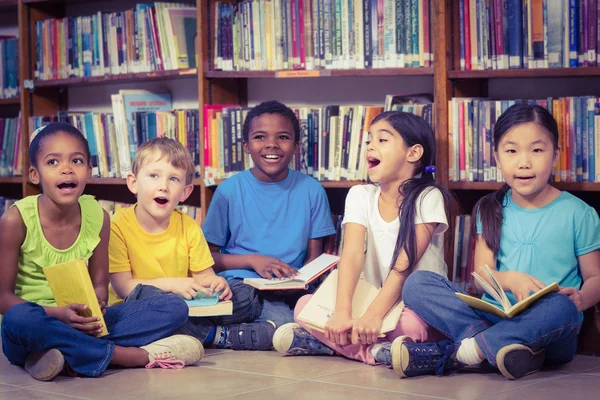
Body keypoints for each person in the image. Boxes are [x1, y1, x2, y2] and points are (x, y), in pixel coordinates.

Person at [398, 104, 600, 380]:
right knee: (417, 283)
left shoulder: (579, 213)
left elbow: (595, 277)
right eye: (511, 151)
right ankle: (509, 352)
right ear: (496, 157)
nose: (524, 162)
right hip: (496, 316)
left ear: (556, 155)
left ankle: (465, 353)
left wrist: (581, 299)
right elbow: (483, 275)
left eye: (537, 150)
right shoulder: (490, 208)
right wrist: (509, 279)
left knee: (560, 308)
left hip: (549, 328)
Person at [0, 123, 203, 382]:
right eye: (52, 162)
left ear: (88, 172)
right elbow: (3, 299)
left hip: (84, 322)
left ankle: (56, 355)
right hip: (35, 322)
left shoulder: (99, 216)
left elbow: (99, 285)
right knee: (20, 318)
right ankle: (127, 356)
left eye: (77, 160)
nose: (66, 168)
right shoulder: (15, 219)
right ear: (34, 174)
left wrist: (95, 307)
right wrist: (60, 314)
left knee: (174, 307)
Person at [272, 111, 450, 367]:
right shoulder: (360, 194)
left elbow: (405, 264)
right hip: (369, 300)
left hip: (412, 306)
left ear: (413, 153)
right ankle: (379, 352)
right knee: (304, 307)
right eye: (369, 140)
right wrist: (343, 312)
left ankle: (334, 345)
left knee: (414, 326)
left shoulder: (427, 196)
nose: (371, 146)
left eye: (383, 139)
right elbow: (352, 255)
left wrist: (374, 316)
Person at [109, 137, 270, 350]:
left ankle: (187, 333)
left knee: (245, 294)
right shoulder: (117, 225)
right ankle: (219, 336)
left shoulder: (189, 226)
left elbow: (204, 276)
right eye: (154, 176)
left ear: (185, 192)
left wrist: (216, 285)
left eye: (173, 179)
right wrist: (173, 285)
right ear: (133, 182)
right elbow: (124, 289)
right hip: (141, 307)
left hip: (187, 302)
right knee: (169, 307)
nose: (163, 186)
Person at [202, 100, 337, 347]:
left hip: (290, 290)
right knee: (246, 301)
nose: (271, 144)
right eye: (260, 137)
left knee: (310, 315)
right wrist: (254, 260)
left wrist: (298, 283)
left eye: (283, 137)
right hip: (241, 285)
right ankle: (258, 331)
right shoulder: (229, 191)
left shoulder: (311, 190)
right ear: (246, 146)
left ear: (296, 146)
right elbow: (207, 258)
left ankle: (238, 334)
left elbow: (314, 259)